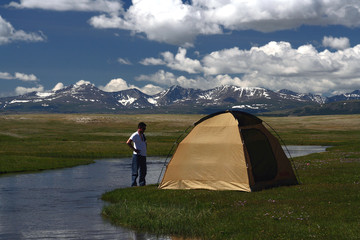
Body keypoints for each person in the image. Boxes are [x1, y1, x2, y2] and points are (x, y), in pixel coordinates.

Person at [126, 122, 147, 187]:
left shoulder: (143, 135)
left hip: (143, 155)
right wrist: (135, 150)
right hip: (137, 155)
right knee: (135, 171)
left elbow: (145, 143)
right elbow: (128, 142)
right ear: (139, 128)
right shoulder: (135, 135)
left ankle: (142, 184)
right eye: (143, 129)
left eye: (145, 129)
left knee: (143, 171)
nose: (144, 130)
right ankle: (133, 185)